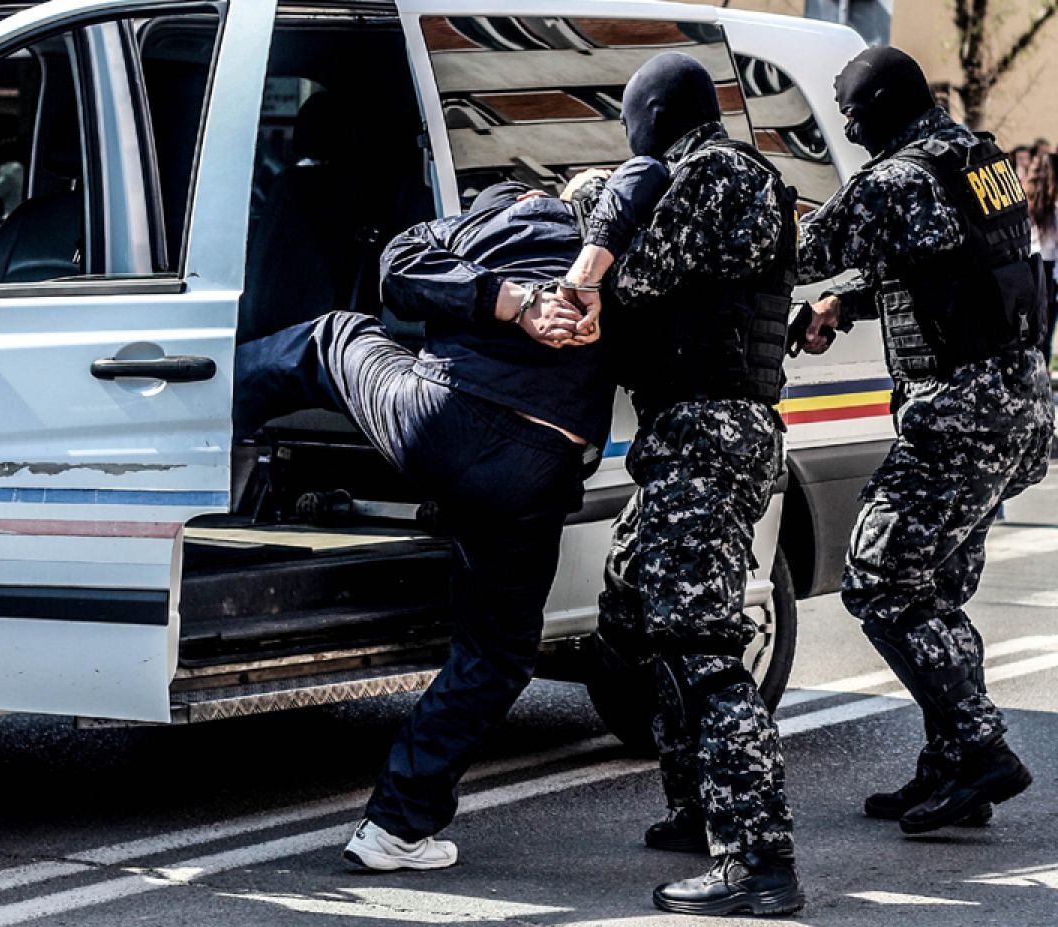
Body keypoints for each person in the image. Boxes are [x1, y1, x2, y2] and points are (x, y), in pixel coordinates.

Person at [233, 182, 615, 871]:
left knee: (332, 335)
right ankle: (394, 827)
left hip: (438, 421)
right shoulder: (617, 265)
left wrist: (505, 299)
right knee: (496, 655)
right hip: (531, 468)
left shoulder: (471, 229)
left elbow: (397, 272)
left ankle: (200, 410)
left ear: (513, 200)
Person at [562, 52, 803, 917]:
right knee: (632, 604)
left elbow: (635, 278)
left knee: (700, 647)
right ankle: (698, 801)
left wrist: (592, 201)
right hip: (701, 435)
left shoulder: (710, 175)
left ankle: (758, 860)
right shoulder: (737, 177)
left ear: (656, 117)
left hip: (706, 433)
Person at [796, 47, 1053, 836]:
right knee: (933, 593)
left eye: (851, 114)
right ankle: (950, 767)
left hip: (959, 417)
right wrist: (846, 301)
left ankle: (980, 748)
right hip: (1016, 405)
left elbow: (796, 254)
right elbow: (948, 267)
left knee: (879, 581)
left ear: (879, 107)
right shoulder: (976, 158)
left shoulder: (895, 179)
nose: (847, 129)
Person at [1024, 151, 1058, 363]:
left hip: (1028, 269)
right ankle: (1043, 370)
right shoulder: (1055, 211)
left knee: (1030, 330)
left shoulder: (1024, 207)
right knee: (1046, 332)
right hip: (1049, 270)